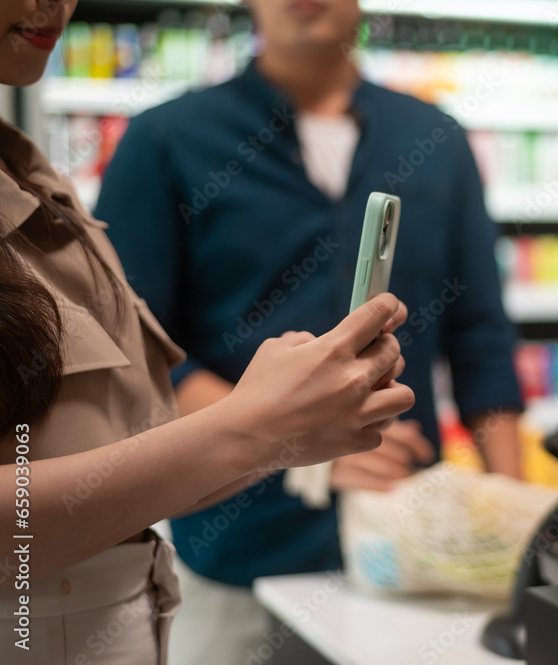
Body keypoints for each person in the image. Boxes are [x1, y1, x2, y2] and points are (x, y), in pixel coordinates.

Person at [94, 0, 524, 660]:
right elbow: (136, 354)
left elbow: (482, 338)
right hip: (238, 557)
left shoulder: (435, 138)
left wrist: (512, 528)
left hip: (411, 549)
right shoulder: (165, 139)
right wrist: (301, 442)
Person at [0, 1, 416, 663]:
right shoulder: (166, 138)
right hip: (223, 565)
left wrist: (274, 435)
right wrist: (258, 431)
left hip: (388, 541)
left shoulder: (37, 182)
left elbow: (137, 430)